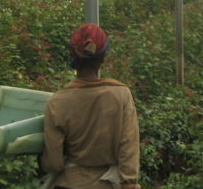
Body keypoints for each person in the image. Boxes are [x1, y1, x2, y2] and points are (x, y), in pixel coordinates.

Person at [40, 23, 140, 189]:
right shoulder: (121, 95)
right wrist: (128, 182)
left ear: (73, 55)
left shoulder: (57, 101)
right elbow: (128, 147)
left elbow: (54, 162)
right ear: (103, 57)